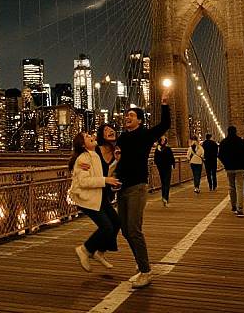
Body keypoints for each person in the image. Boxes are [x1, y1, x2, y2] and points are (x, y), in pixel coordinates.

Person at [114, 87, 171, 289]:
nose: (127, 117)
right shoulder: (121, 138)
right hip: (122, 187)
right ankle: (141, 266)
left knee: (134, 229)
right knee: (126, 231)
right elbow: (113, 156)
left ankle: (146, 272)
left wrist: (164, 102)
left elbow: (165, 124)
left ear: (139, 120)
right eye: (126, 115)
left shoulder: (146, 135)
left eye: (131, 115)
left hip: (137, 186)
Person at [68, 132, 122, 272]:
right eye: (86, 136)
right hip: (87, 199)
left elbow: (101, 172)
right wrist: (106, 180)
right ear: (82, 144)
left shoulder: (94, 154)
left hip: (98, 196)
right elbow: (84, 181)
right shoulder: (83, 159)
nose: (90, 136)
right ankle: (85, 249)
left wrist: (113, 167)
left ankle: (99, 252)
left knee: (116, 222)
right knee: (106, 227)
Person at [218, 126, 244, 217]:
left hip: (229, 168)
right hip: (240, 168)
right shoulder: (242, 142)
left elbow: (220, 155)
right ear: (236, 132)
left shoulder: (223, 142)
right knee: (239, 187)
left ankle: (233, 206)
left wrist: (226, 164)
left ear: (227, 132)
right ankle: (240, 208)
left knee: (232, 187)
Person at [96, 124, 119, 205]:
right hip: (96, 193)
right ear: (101, 135)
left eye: (112, 129)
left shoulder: (117, 152)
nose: (111, 131)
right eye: (106, 130)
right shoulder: (96, 150)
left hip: (108, 194)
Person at [154, 135, 175, 206]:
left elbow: (156, 159)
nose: (163, 141)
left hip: (164, 167)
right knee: (165, 182)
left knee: (165, 182)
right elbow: (171, 158)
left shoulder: (158, 149)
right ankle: (165, 197)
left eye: (164, 140)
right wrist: (172, 164)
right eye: (162, 140)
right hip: (165, 167)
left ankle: (165, 197)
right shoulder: (166, 149)